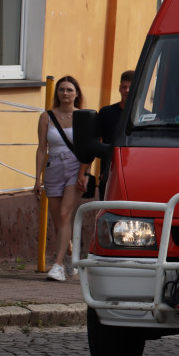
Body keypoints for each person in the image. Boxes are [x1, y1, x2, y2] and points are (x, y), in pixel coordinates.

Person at [34, 75, 90, 282]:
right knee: (58, 221)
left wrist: (84, 172)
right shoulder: (46, 117)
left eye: (69, 90)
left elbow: (87, 149)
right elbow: (42, 149)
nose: (65, 93)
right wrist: (37, 179)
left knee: (66, 215)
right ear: (57, 93)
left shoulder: (83, 117)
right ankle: (69, 255)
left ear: (76, 93)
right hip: (53, 167)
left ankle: (57, 265)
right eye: (61, 90)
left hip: (75, 167)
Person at [97, 70, 133, 199]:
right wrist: (84, 172)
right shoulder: (106, 113)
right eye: (124, 87)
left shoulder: (145, 117)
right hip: (108, 176)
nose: (127, 90)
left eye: (131, 87)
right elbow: (95, 141)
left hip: (133, 176)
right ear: (119, 88)